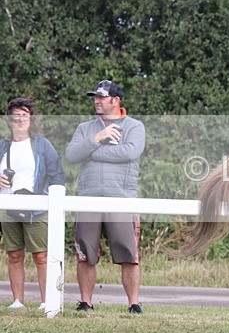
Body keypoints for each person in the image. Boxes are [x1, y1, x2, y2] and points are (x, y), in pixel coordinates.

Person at [65, 80, 146, 313]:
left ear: (115, 100)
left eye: (101, 97)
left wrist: (91, 152)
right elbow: (72, 154)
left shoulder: (134, 126)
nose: (97, 101)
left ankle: (133, 304)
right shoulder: (85, 128)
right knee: (85, 254)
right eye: (95, 97)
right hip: (88, 199)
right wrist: (96, 138)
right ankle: (86, 303)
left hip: (121, 199)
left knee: (129, 255)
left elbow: (129, 153)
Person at [1, 98, 65, 310]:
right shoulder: (3, 146)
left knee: (41, 255)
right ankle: (17, 301)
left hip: (36, 208)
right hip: (8, 207)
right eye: (16, 115)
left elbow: (57, 175)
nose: (20, 119)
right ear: (9, 120)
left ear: (31, 119)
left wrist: (48, 200)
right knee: (14, 254)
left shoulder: (42, 145)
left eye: (24, 115)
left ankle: (47, 301)